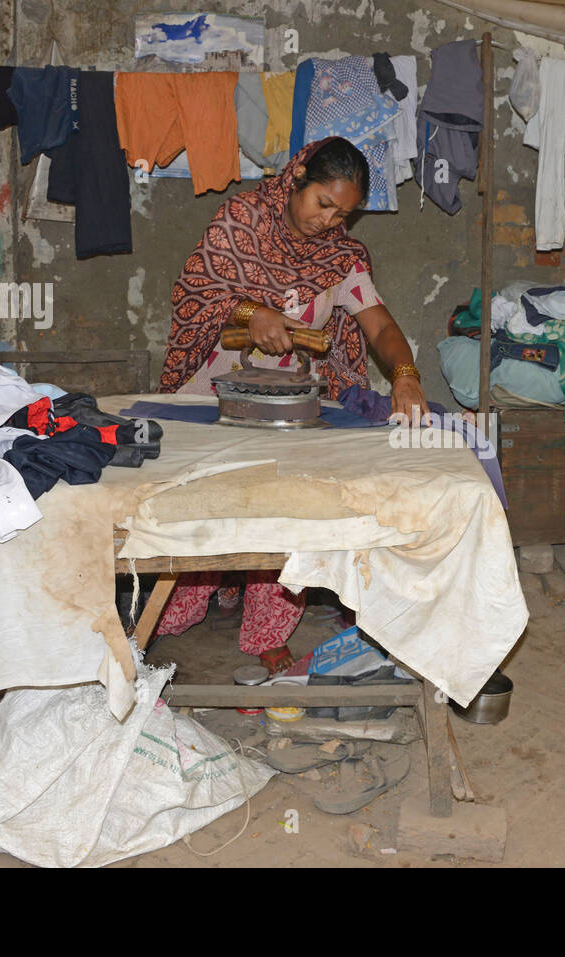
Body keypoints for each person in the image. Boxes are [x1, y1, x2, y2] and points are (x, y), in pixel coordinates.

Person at [155, 136, 428, 673]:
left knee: (289, 506)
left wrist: (405, 374)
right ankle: (192, 595)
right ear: (297, 176)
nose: (329, 221)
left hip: (294, 406)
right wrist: (249, 311)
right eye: (322, 203)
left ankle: (266, 625)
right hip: (217, 395)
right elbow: (194, 291)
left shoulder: (341, 259)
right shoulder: (240, 222)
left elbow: (380, 325)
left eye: (343, 213)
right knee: (205, 499)